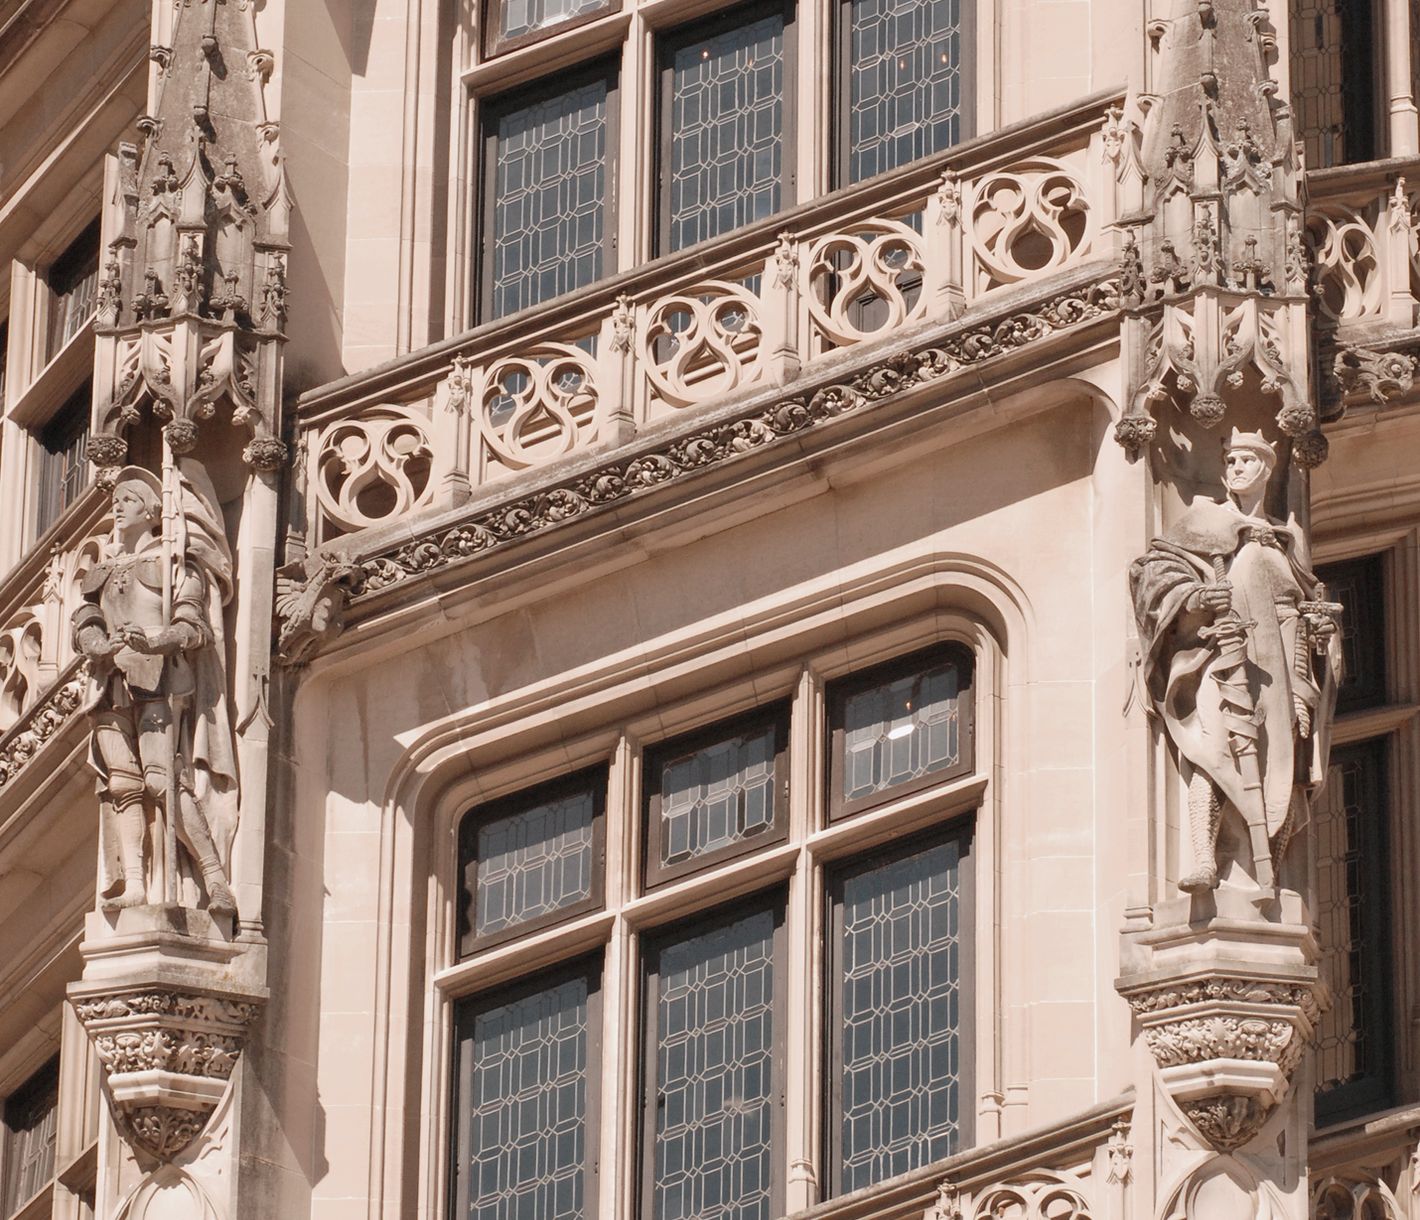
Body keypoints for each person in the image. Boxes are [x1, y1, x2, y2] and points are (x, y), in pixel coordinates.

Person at [1130, 430, 1341, 892]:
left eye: (1248, 460)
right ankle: (1205, 858)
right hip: (1224, 654)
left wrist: (1323, 637)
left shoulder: (1288, 537)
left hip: (1287, 664)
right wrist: (1195, 596)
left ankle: (1272, 869)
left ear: (1267, 469)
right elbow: (1152, 574)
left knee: (1289, 765)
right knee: (1214, 747)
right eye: (1231, 460)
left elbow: (1305, 602)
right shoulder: (1202, 522)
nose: (1236, 468)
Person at [73, 464, 239, 914]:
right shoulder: (100, 571)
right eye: (116, 499)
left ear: (151, 511)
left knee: (162, 780)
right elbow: (84, 623)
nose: (117, 505)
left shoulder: (172, 565)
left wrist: (157, 640)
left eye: (128, 499)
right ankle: (135, 884)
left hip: (159, 678)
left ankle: (214, 877)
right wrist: (96, 644)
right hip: (109, 682)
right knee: (123, 785)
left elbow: (193, 626)